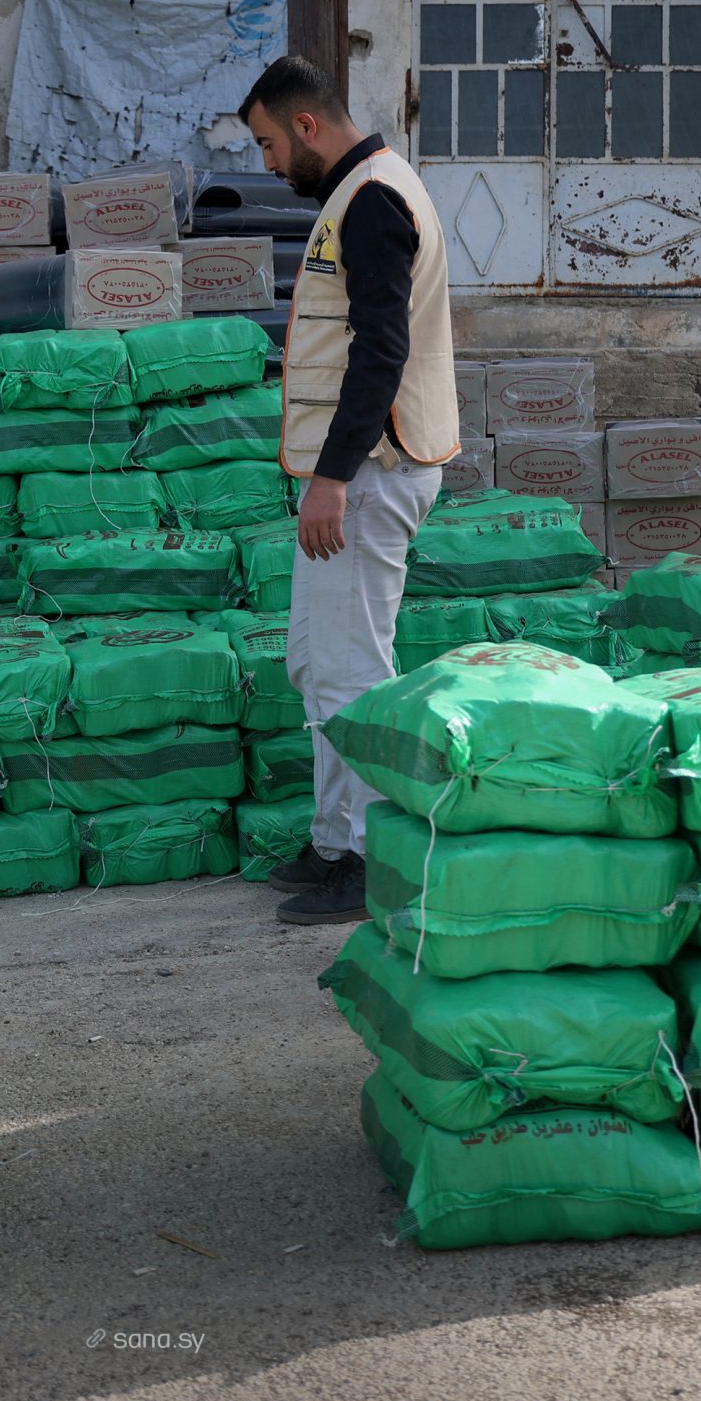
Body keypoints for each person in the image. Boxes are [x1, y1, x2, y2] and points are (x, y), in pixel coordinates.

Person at [237, 55, 461, 926]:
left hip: (370, 472)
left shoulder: (371, 199)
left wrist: (331, 476)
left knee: (354, 672)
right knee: (316, 661)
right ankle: (336, 839)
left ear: (306, 125)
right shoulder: (365, 190)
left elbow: (380, 352)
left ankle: (373, 858)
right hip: (355, 471)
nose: (266, 165)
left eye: (267, 144)